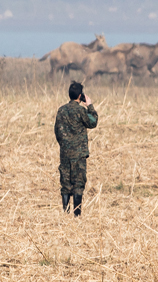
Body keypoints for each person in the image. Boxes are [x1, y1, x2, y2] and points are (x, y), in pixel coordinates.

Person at [54, 81, 98, 216]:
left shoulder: (61, 110)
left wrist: (64, 145)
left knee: (65, 183)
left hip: (65, 153)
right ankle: (77, 214)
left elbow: (57, 131)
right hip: (79, 154)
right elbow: (93, 122)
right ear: (80, 95)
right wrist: (89, 105)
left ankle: (65, 213)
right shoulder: (81, 111)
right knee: (78, 183)